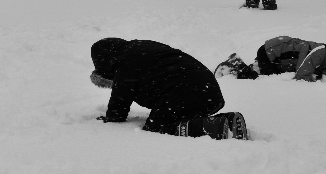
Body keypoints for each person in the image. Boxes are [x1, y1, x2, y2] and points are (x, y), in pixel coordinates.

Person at [90, 38, 249, 140]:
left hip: (185, 91)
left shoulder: (126, 62)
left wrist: (111, 118)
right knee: (179, 118)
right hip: (208, 92)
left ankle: (220, 126)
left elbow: (120, 99)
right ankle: (228, 120)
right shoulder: (142, 48)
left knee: (157, 125)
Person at [214, 36, 326, 82]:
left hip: (272, 54)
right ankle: (234, 64)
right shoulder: (319, 52)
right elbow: (301, 74)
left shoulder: (322, 54)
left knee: (263, 72)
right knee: (259, 79)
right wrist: (317, 79)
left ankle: (237, 65)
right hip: (270, 53)